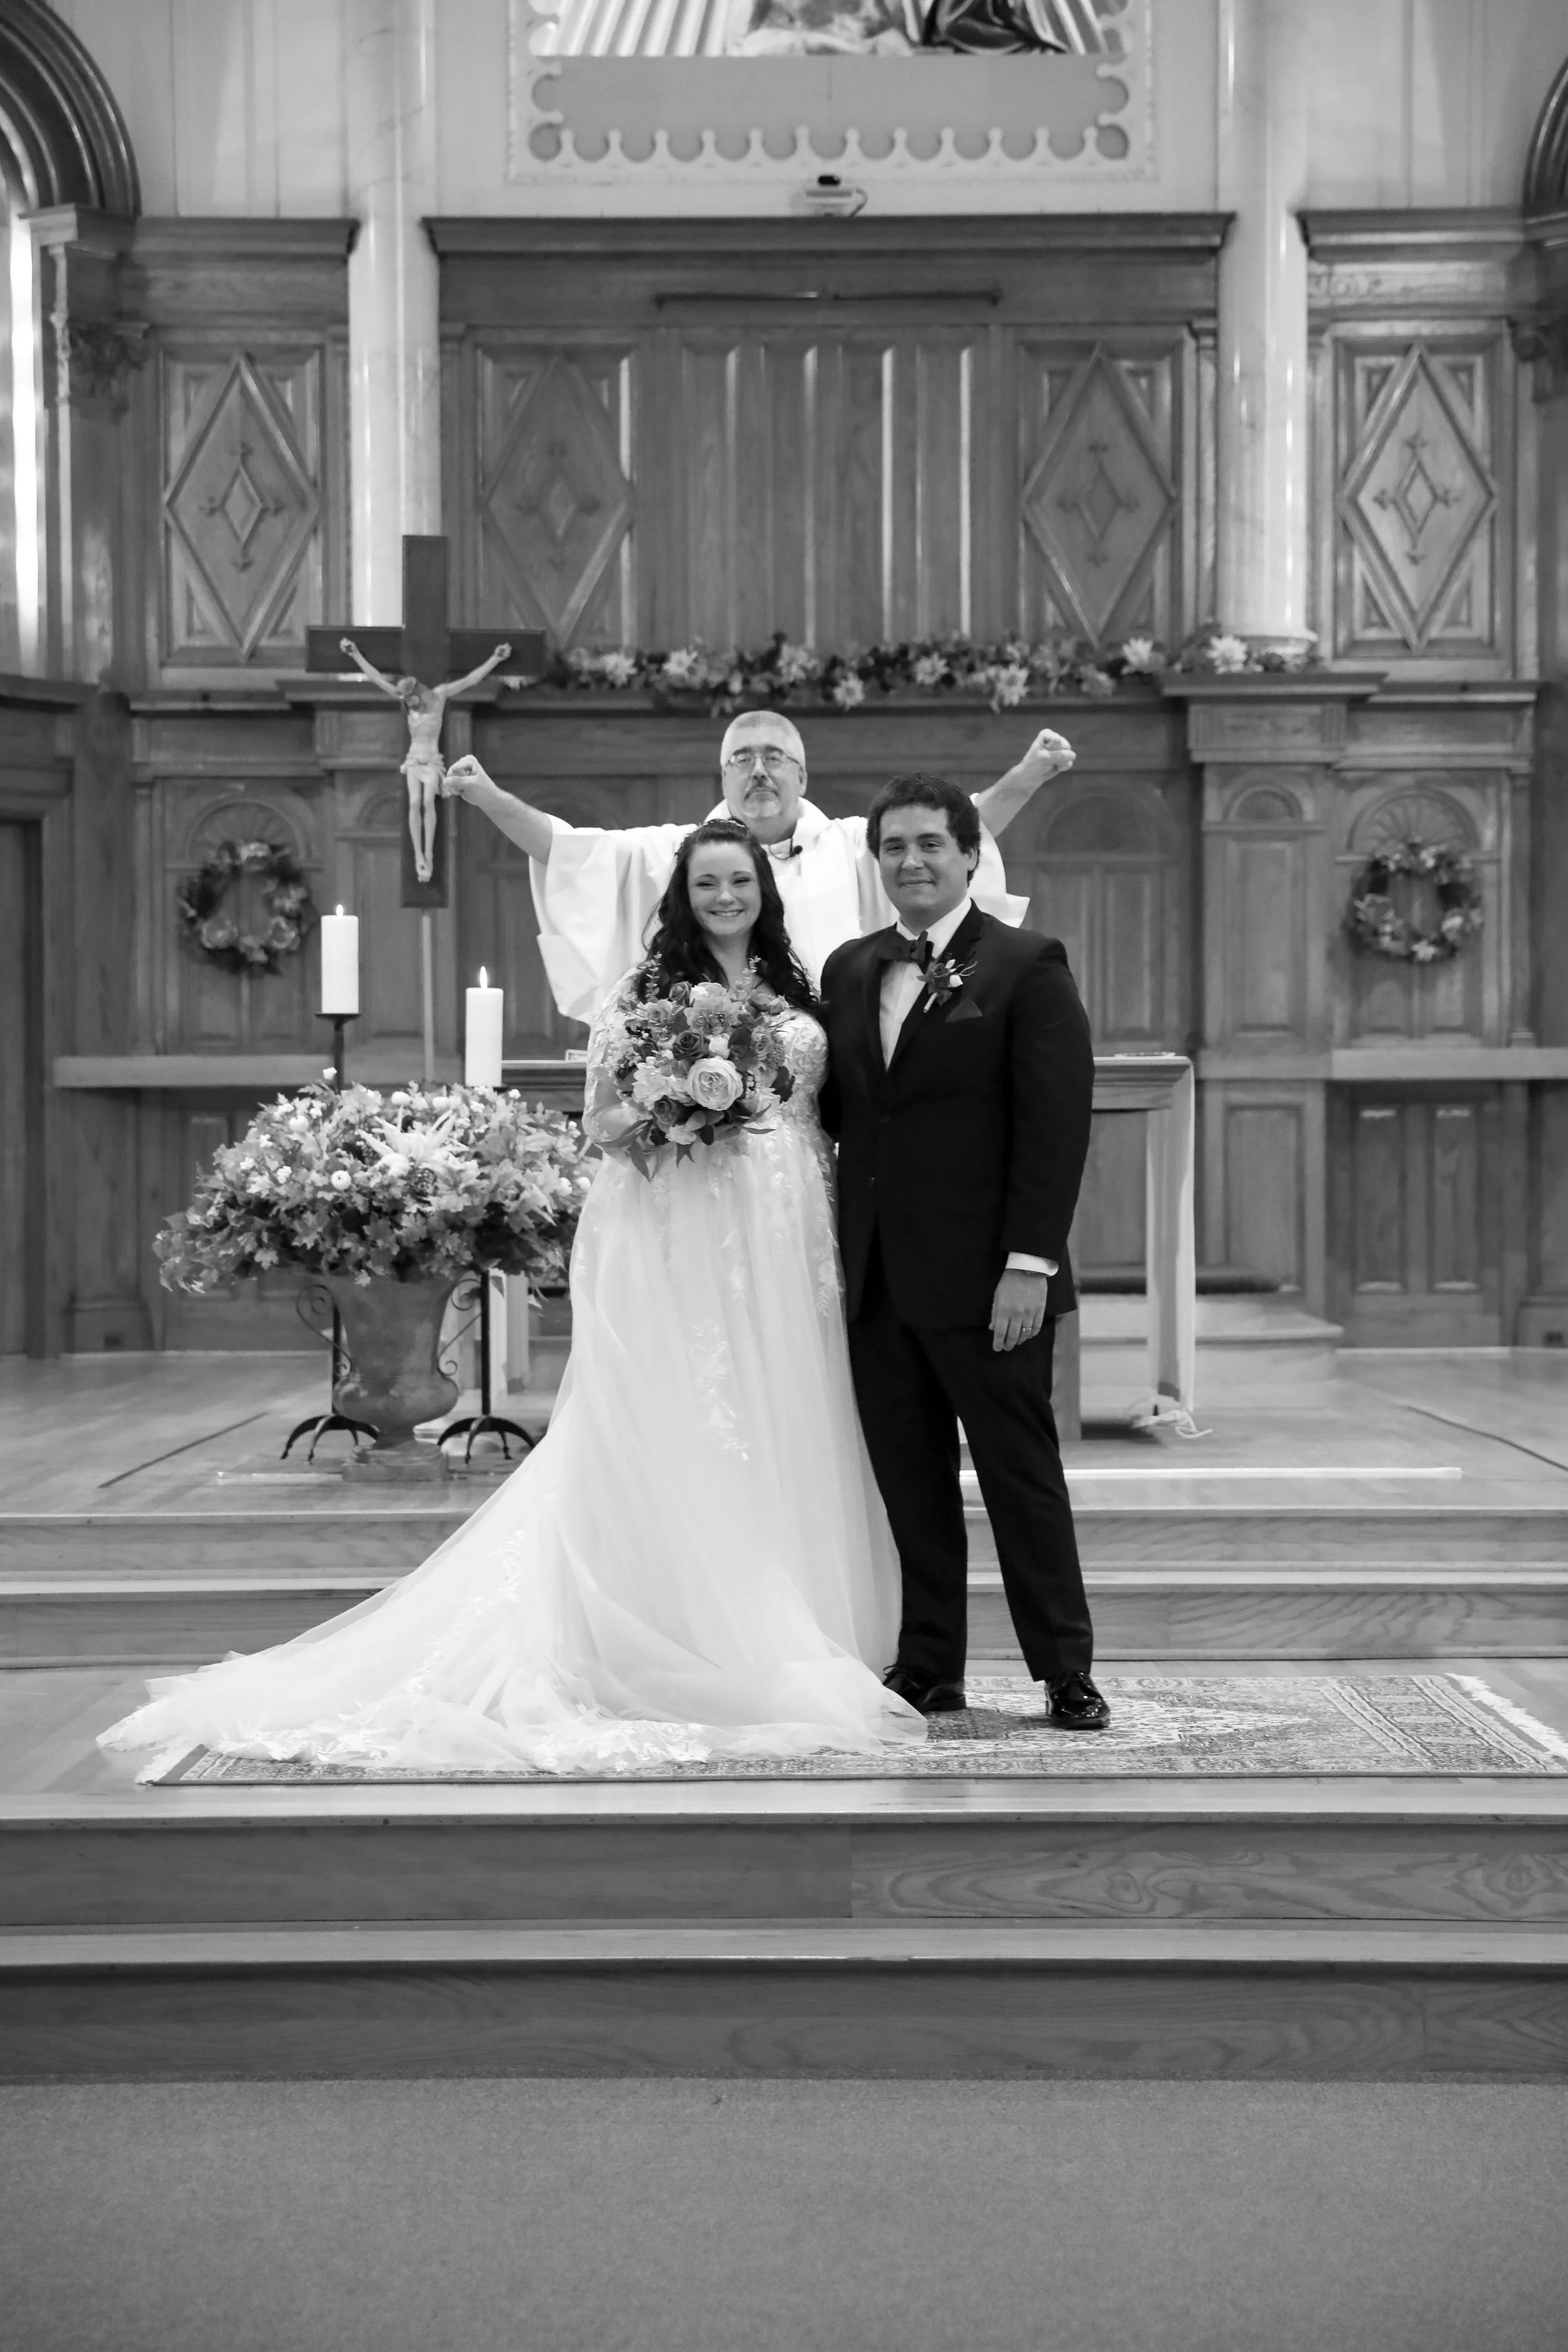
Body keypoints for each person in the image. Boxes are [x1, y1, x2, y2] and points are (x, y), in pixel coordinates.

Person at [99, 820, 923, 1776]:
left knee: (793, 1407)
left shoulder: (807, 987)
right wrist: (682, 1108)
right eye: (708, 883)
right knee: (694, 1413)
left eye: (740, 880)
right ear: (684, 893)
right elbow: (605, 1123)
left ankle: (807, 1615)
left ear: (763, 891)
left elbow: (831, 1110)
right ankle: (691, 1626)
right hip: (692, 1231)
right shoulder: (642, 994)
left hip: (791, 1234)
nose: (727, 896)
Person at [818, 771, 1108, 1728]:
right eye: (893, 846)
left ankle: (1064, 1667)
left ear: (970, 854)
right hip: (880, 1282)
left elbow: (1055, 1126)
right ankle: (929, 1662)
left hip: (992, 1283)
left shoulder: (1028, 965)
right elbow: (845, 1117)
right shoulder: (850, 970)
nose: (911, 861)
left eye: (929, 844)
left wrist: (1030, 1263)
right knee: (912, 1487)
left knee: (1022, 1479)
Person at [441, 711, 1074, 1022]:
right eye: (742, 758)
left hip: (838, 1056)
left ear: (801, 775)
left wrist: (1029, 775)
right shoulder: (681, 852)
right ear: (723, 775)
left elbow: (959, 827)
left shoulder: (856, 842)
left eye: (774, 757)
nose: (760, 770)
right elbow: (570, 851)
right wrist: (486, 797)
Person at [339, 635, 513, 884]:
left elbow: (470, 680)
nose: (412, 706)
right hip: (413, 759)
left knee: (429, 801)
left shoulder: (440, 696)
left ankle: (429, 854)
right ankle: (418, 855)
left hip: (431, 760)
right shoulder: (408, 703)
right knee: (414, 803)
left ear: (419, 692)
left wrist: (495, 659)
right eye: (407, 703)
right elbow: (377, 678)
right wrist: (354, 653)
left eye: (413, 701)